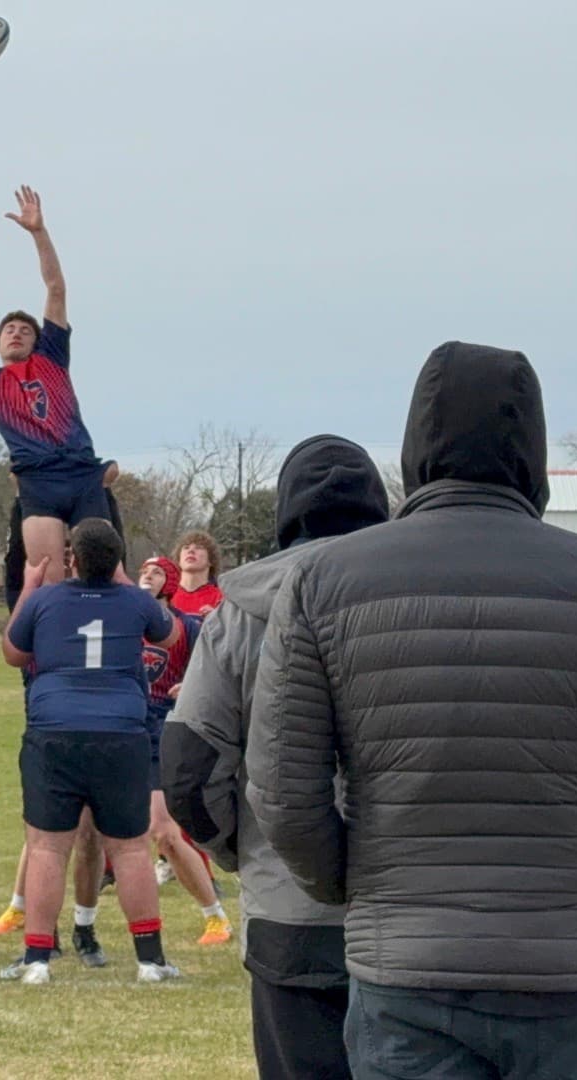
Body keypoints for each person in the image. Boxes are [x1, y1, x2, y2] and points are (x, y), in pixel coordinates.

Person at [247, 343, 577, 1079]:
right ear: (534, 447)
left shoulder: (322, 583)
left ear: (415, 445)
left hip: (405, 967)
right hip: (564, 967)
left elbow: (282, 793)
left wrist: (360, 887)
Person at [161, 434, 389, 1080]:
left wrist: (246, 849)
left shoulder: (237, 614)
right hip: (410, 907)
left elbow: (189, 765)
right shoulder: (418, 593)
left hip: (290, 909)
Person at [0, 519, 181, 985]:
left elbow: (13, 653)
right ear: (118, 560)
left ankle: (37, 959)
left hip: (54, 730)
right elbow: (170, 635)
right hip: (120, 733)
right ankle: (150, 960)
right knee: (131, 849)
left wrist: (29, 586)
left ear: (72, 559)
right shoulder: (136, 600)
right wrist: (123, 582)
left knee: (46, 847)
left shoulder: (45, 599)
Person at [0, 188, 118, 590]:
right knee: (48, 578)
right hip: (37, 480)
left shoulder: (52, 357)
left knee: (107, 574)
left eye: (24, 329)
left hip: (81, 471)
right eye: (9, 330)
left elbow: (56, 288)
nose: (16, 333)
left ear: (37, 341)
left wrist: (39, 232)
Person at [134, 556, 232, 946]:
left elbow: (216, 668)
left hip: (160, 728)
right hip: (120, 727)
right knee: (76, 830)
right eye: (143, 571)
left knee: (165, 833)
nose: (147, 576)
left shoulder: (186, 627)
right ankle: (43, 923)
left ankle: (216, 917)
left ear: (171, 582)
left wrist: (189, 685)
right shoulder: (126, 622)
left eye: (157, 572)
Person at [171, 531, 223, 619]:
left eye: (199, 547)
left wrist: (217, 621)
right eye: (186, 547)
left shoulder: (222, 598)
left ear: (211, 560)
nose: (190, 551)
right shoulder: (165, 597)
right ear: (179, 560)